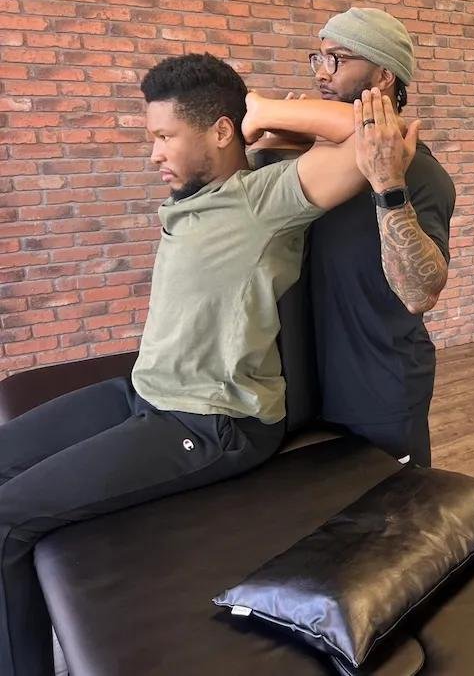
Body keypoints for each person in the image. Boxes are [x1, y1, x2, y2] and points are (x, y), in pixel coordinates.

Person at [0, 53, 417, 675]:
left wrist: (260, 116)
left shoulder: (265, 199)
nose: (153, 154)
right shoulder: (194, 199)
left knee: (6, 520)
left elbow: (381, 138)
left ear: (220, 132)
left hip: (211, 423)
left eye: (164, 137)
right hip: (143, 394)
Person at [260, 8, 455, 467]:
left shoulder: (420, 173)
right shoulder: (312, 158)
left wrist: (388, 186)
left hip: (377, 389)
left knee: (394, 528)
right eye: (318, 59)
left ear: (384, 75)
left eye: (338, 60)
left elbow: (419, 292)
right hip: (301, 384)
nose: (322, 74)